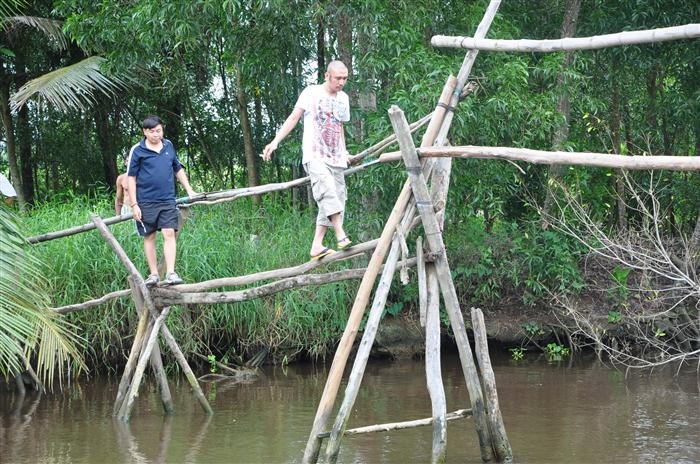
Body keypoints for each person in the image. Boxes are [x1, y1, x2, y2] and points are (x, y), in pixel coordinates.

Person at [262, 60, 353, 260]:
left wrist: (345, 152)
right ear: (327, 76)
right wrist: (275, 141)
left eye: (345, 78)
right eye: (338, 78)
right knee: (327, 190)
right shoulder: (311, 93)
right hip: (315, 155)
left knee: (335, 200)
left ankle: (316, 245)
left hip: (336, 157)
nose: (341, 82)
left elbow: (340, 127)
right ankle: (340, 234)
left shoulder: (344, 99)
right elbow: (294, 118)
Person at [126, 115, 197, 286]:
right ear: (145, 132)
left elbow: (177, 168)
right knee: (149, 236)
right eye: (152, 132)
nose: (156, 134)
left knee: (169, 233)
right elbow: (131, 178)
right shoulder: (137, 150)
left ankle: (171, 273)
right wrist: (134, 204)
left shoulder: (168, 145)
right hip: (145, 202)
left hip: (167, 199)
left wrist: (189, 189)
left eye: (159, 130)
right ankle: (153, 274)